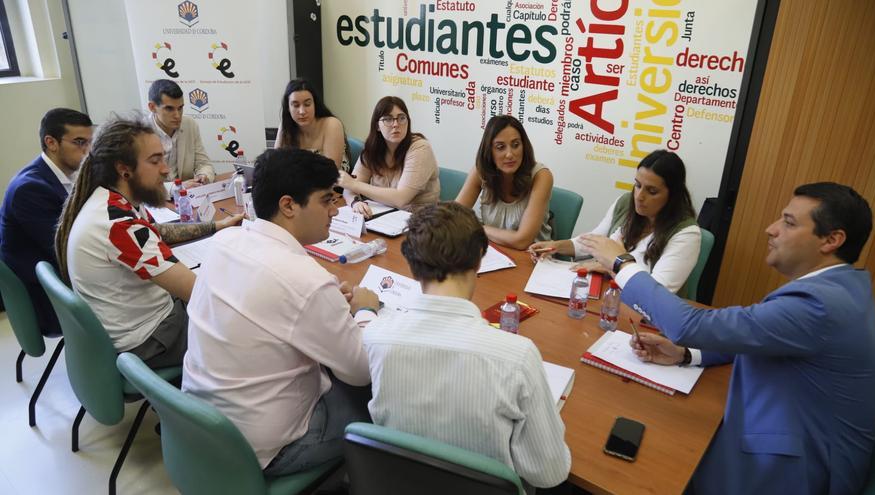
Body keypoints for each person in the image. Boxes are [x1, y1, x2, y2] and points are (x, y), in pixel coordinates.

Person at [580, 182, 875, 495]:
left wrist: (622, 264)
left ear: (832, 240)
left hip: (794, 471)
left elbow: (687, 324)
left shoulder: (820, 305)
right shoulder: (841, 288)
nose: (771, 229)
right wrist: (688, 355)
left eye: (789, 222)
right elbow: (763, 336)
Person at [183, 148, 379, 475]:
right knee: (384, 403)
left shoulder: (225, 241)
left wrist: (327, 301)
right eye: (326, 200)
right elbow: (361, 370)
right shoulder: (305, 280)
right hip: (266, 449)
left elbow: (279, 295)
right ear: (288, 205)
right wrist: (366, 311)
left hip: (200, 425)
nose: (334, 210)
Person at [362, 201, 571, 489]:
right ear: (480, 259)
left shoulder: (375, 335)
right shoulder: (517, 356)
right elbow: (548, 473)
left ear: (411, 264)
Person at [54, 116, 242, 368]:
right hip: (149, 342)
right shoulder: (117, 225)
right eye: (155, 161)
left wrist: (215, 226)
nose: (166, 169)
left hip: (137, 323)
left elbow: (154, 231)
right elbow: (198, 292)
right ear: (124, 169)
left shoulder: (111, 199)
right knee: (244, 322)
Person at [529, 149, 700, 295]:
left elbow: (656, 294)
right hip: (607, 295)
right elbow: (594, 240)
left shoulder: (687, 234)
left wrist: (613, 265)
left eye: (652, 191)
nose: (639, 197)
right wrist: (554, 246)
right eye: (638, 185)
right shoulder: (626, 202)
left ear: (673, 196)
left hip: (646, 316)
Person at [0, 108, 92, 336]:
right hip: (49, 301)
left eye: (90, 142)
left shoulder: (64, 175)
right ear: (51, 142)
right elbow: (66, 251)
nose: (88, 151)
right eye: (79, 142)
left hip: (62, 281)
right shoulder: (30, 189)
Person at [455, 115, 553, 249]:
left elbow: (522, 241)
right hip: (494, 252)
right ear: (489, 151)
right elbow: (453, 216)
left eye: (515, 145)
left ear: (524, 146)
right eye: (500, 147)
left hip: (534, 259)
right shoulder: (481, 171)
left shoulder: (542, 176)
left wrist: (477, 228)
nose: (510, 154)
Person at [339, 96, 439, 216]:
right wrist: (355, 203)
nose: (396, 124)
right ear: (377, 126)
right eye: (388, 119)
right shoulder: (372, 149)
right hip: (383, 217)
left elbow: (400, 199)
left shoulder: (420, 148)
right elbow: (348, 189)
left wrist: (353, 184)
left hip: (419, 220)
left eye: (401, 118)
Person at [147, 79, 215, 188]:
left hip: (186, 197)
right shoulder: (140, 133)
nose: (177, 115)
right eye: (169, 109)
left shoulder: (190, 125)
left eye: (180, 108)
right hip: (155, 199)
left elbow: (204, 164)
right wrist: (178, 187)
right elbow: (140, 183)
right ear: (152, 107)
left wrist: (203, 175)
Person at [274, 78, 350, 171]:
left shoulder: (332, 124)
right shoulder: (286, 126)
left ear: (315, 104)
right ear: (288, 108)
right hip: (296, 183)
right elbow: (275, 165)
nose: (302, 111)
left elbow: (331, 172)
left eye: (307, 104)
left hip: (333, 182)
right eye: (296, 105)